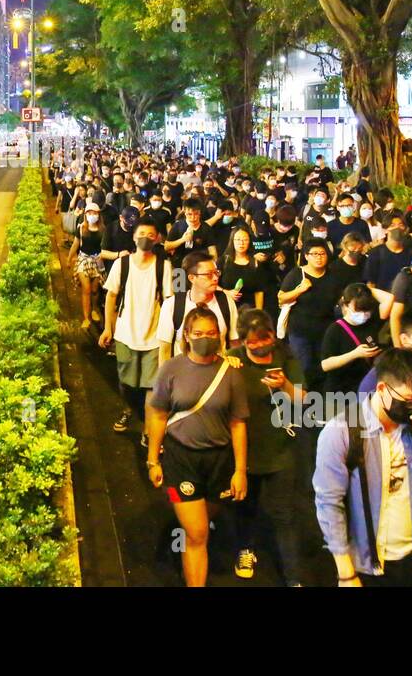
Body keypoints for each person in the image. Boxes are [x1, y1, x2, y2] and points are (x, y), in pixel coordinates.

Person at [313, 348, 412, 586]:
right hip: (369, 564)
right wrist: (346, 572)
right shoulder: (341, 432)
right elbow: (329, 504)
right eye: (409, 401)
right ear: (381, 389)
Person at [147, 307, 250, 587]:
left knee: (203, 522)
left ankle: (184, 541)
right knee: (197, 534)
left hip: (219, 460)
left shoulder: (231, 373)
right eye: (199, 333)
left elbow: (238, 423)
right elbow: (157, 414)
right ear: (187, 336)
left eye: (211, 333)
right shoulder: (171, 369)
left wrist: (240, 470)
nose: (205, 338)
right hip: (181, 459)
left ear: (220, 335)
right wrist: (153, 460)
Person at [228, 309, 306, 584]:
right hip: (244, 452)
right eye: (254, 341)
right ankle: (245, 548)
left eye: (266, 338)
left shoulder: (286, 358)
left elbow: (304, 399)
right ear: (243, 342)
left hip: (280, 450)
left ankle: (293, 575)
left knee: (284, 514)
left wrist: (284, 384)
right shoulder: (232, 360)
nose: (262, 345)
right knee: (245, 507)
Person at [100, 219, 173, 438]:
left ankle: (148, 431)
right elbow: (111, 296)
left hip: (154, 338)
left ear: (157, 238)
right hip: (125, 334)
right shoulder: (121, 265)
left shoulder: (164, 267)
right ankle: (131, 409)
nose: (146, 238)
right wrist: (107, 328)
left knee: (152, 387)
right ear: (133, 237)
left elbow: (169, 301)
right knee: (128, 384)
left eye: (151, 235)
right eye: (142, 233)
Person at [278, 238, 345, 389]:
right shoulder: (297, 274)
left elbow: (340, 301)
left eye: (322, 253)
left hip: (325, 331)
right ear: (306, 256)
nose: (319, 257)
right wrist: (299, 290)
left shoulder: (333, 275)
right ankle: (303, 403)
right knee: (303, 368)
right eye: (314, 254)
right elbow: (281, 298)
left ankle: (319, 401)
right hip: (300, 332)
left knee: (322, 367)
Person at [157, 251, 238, 361]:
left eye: (216, 273)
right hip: (184, 373)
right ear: (191, 278)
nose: (215, 278)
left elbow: (235, 342)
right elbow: (164, 349)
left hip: (217, 371)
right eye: (209, 274)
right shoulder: (172, 305)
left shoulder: (226, 302)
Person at [319, 283, 385, 400]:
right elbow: (325, 365)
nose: (363, 315)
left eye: (366, 311)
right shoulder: (335, 330)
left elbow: (389, 299)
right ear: (345, 306)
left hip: (365, 388)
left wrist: (365, 289)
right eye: (358, 311)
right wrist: (355, 354)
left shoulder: (371, 322)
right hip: (340, 392)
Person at [68, 202, 108, 331]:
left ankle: (94, 309)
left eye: (95, 213)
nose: (92, 215)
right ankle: (86, 317)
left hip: (97, 261)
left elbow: (105, 247)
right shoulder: (81, 228)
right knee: (86, 289)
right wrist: (69, 258)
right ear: (86, 214)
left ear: (99, 215)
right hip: (83, 260)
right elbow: (75, 244)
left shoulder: (103, 230)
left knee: (95, 290)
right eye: (89, 213)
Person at [219, 226, 267, 317]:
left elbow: (259, 291)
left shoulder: (256, 264)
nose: (241, 243)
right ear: (232, 241)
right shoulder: (223, 261)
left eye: (245, 240)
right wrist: (226, 292)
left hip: (248, 312)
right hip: (226, 309)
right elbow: (213, 285)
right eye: (238, 240)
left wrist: (258, 313)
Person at [364, 215, 412, 293]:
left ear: (405, 229)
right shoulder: (376, 252)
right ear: (385, 230)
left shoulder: (411, 252)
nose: (397, 228)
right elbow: (370, 282)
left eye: (400, 225)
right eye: (392, 225)